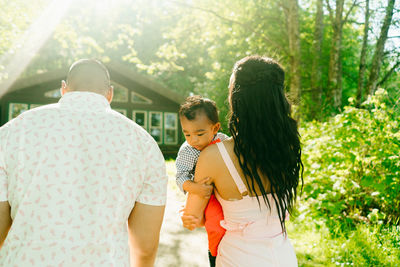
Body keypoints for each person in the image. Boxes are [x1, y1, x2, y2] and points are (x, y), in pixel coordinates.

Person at [0, 59, 168, 267]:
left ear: (64, 89)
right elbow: (145, 246)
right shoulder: (144, 143)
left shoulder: (13, 132)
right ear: (110, 93)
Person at [181, 56, 303, 266]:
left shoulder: (213, 156)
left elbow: (195, 217)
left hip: (238, 258)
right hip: (282, 256)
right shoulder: (287, 147)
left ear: (238, 99)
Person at [175, 95, 228, 266]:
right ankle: (214, 254)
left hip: (227, 188)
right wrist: (195, 188)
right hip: (206, 194)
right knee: (215, 223)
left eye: (199, 133)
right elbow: (181, 176)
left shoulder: (223, 141)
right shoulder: (188, 151)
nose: (193, 140)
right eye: (187, 134)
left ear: (215, 128)